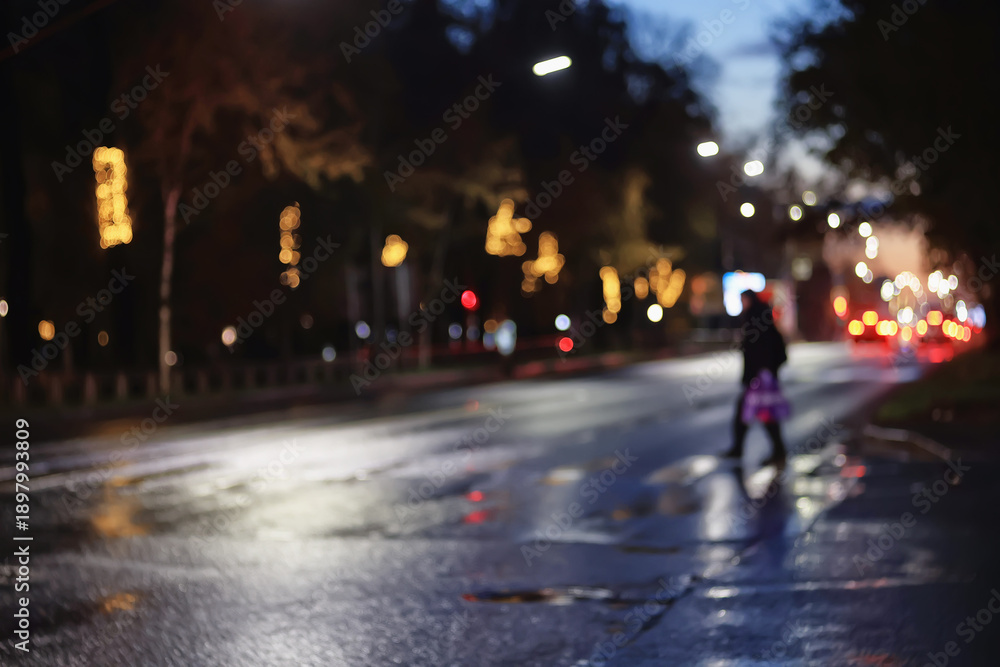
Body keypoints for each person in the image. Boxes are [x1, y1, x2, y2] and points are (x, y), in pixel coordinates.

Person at [723, 289, 788, 465]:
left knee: (761, 414)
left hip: (759, 379)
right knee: (755, 413)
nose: (742, 304)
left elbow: (760, 351)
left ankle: (776, 451)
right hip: (760, 377)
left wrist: (760, 373)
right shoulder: (761, 317)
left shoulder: (756, 319)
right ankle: (775, 451)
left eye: (743, 300)